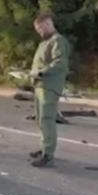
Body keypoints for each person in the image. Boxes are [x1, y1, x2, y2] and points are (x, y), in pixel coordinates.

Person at [29, 12, 71, 167]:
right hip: (40, 86)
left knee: (47, 120)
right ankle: (44, 147)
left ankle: (48, 155)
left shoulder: (57, 41)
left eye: (40, 29)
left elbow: (59, 63)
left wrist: (40, 73)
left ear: (48, 24)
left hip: (49, 86)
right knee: (41, 120)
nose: (39, 32)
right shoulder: (44, 43)